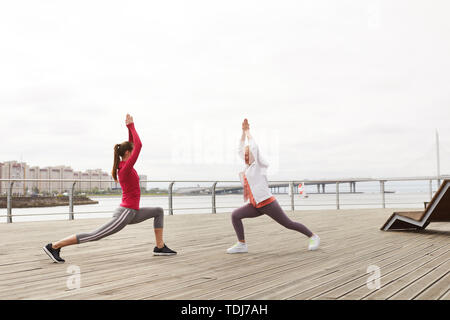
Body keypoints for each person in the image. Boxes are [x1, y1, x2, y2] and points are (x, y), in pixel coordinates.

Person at [43, 114, 176, 263]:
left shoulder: (125, 165)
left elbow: (132, 144)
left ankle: (159, 246)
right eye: (131, 152)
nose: (134, 154)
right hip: (126, 213)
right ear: (127, 153)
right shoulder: (125, 168)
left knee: (158, 211)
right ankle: (54, 246)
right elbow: (138, 145)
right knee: (95, 235)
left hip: (133, 212)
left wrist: (128, 128)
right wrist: (132, 126)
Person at [227, 119, 320, 254]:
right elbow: (239, 149)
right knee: (235, 215)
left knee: (288, 224)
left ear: (255, 155)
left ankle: (313, 236)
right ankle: (242, 244)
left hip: (268, 203)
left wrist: (248, 131)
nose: (246, 155)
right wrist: (242, 133)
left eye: (248, 154)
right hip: (255, 205)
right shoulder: (247, 167)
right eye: (245, 155)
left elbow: (254, 147)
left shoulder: (259, 164)